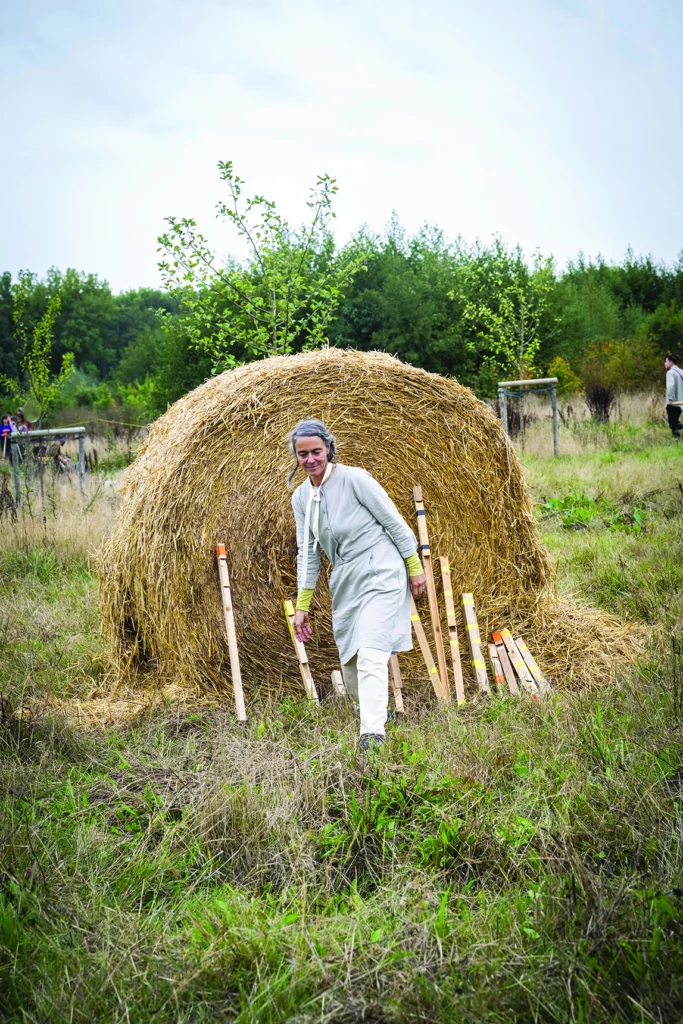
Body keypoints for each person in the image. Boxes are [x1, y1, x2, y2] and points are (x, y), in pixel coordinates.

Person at [289, 418, 427, 750]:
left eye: (316, 452)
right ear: (296, 456)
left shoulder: (355, 480)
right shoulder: (301, 498)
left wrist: (414, 566)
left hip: (381, 568)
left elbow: (394, 521)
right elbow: (307, 553)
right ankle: (377, 713)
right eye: (303, 454)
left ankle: (372, 735)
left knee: (370, 652)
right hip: (347, 579)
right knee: (351, 664)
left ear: (329, 449)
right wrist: (302, 606)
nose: (310, 460)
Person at [665, 355, 683, 438]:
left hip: (674, 401)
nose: (664, 363)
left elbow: (671, 386)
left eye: (666, 361)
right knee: (674, 420)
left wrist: (670, 399)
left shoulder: (670, 373)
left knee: (672, 422)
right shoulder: (682, 371)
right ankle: (678, 427)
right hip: (681, 401)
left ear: (671, 362)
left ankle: (676, 437)